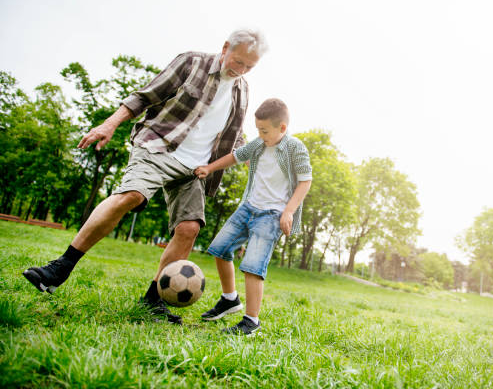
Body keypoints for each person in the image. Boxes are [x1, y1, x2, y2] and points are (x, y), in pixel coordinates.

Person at [22, 29, 268, 325]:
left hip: (196, 167)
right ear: (226, 47)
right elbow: (144, 97)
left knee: (189, 228)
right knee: (133, 195)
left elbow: (234, 133)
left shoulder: (242, 89)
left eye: (249, 67)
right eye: (238, 61)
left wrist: (244, 157)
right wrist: (109, 124)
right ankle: (58, 269)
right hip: (159, 146)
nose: (240, 70)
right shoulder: (191, 63)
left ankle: (153, 302)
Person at [194, 98, 312, 335]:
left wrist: (288, 211)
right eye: (257, 129)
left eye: (265, 130)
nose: (260, 134)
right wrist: (210, 168)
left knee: (253, 266)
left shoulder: (295, 148)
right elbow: (235, 156)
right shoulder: (258, 144)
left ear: (282, 128)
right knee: (220, 248)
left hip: (272, 215)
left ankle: (251, 321)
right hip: (248, 207)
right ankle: (230, 299)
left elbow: (305, 181)